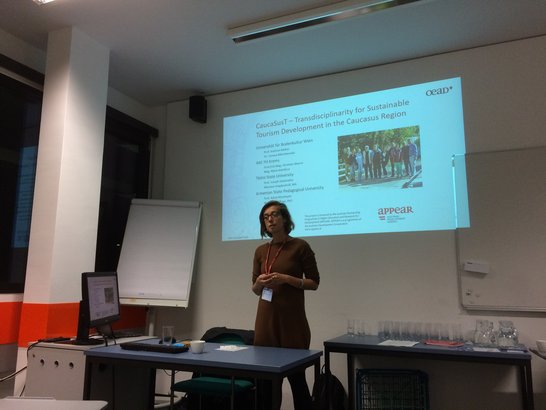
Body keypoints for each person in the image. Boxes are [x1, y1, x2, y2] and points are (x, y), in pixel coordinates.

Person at [252, 200, 320, 410]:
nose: (270, 220)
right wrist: (259, 283)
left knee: (297, 381)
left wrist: (287, 279)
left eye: (274, 215)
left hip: (292, 323)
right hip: (266, 323)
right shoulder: (260, 251)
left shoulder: (300, 246)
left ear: (284, 218)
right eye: (266, 217)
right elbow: (255, 289)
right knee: (266, 385)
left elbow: (314, 283)